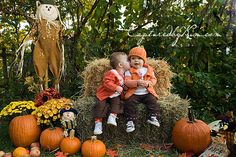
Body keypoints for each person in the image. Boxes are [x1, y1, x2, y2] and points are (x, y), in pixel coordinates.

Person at [124, 46, 161, 133]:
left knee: (152, 100)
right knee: (129, 103)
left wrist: (148, 83)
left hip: (146, 92)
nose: (136, 60)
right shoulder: (128, 71)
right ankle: (130, 121)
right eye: (133, 58)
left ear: (144, 60)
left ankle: (153, 117)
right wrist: (136, 82)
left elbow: (154, 79)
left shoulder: (148, 69)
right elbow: (127, 82)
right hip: (134, 93)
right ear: (130, 61)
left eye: (139, 58)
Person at [93, 52, 130, 135]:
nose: (130, 62)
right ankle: (98, 123)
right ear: (120, 65)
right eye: (127, 60)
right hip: (105, 93)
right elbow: (106, 83)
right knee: (100, 105)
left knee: (117, 103)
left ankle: (112, 116)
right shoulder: (112, 72)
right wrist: (115, 87)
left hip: (114, 94)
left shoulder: (124, 75)